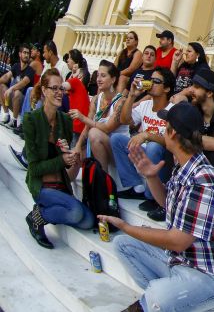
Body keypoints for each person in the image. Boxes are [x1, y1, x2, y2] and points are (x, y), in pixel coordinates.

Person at [101, 102, 214, 312]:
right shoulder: (184, 165)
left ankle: (164, 295)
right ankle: (173, 291)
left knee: (157, 297)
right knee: (123, 245)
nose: (162, 131)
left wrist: (127, 226)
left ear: (172, 134)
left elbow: (178, 241)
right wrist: (151, 176)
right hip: (184, 263)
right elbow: (168, 204)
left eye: (165, 126)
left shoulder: (202, 180)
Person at [23, 69, 92, 249]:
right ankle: (37, 217)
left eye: (61, 88)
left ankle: (46, 211)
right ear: (44, 90)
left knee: (88, 221)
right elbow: (34, 168)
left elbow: (66, 164)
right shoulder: (31, 120)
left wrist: (70, 156)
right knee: (76, 212)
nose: (59, 92)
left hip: (61, 185)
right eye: (54, 88)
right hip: (42, 186)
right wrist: (62, 160)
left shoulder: (65, 120)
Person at [111, 67, 175, 221]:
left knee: (153, 146)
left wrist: (147, 135)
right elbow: (125, 120)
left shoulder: (172, 110)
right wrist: (132, 95)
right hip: (144, 153)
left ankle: (152, 196)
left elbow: (171, 142)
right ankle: (136, 187)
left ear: (166, 88)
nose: (151, 83)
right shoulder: (145, 106)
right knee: (116, 139)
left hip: (162, 158)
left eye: (156, 81)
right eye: (150, 80)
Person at [70, 60, 129, 171]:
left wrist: (82, 118)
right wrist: (78, 146)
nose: (98, 79)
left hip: (119, 153)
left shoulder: (121, 102)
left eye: (103, 76)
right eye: (97, 75)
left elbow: (107, 128)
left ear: (113, 79)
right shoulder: (97, 99)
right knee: (73, 158)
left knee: (94, 133)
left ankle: (102, 178)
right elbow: (87, 126)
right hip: (97, 146)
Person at [0, 44, 34, 131]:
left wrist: (11, 88)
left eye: (28, 53)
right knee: (2, 87)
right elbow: (7, 76)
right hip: (12, 100)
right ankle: (7, 115)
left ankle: (14, 121)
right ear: (20, 54)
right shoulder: (16, 66)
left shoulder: (30, 70)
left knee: (18, 92)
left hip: (23, 105)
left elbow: (24, 82)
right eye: (24, 52)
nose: (26, 55)